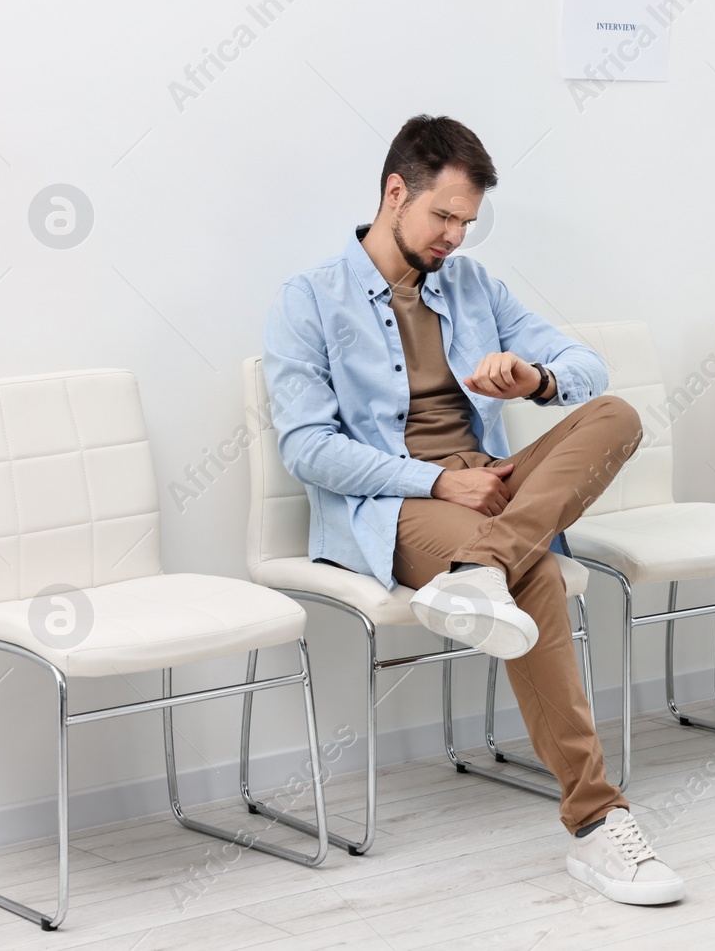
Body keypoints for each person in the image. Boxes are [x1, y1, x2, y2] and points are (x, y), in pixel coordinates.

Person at [262, 114, 684, 906]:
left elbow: (584, 366)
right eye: (444, 216)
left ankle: (483, 564)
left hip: (492, 487)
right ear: (396, 193)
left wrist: (533, 379)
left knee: (616, 414)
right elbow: (308, 448)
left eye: (467, 221)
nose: (455, 236)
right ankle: (598, 825)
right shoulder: (309, 299)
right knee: (539, 579)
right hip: (398, 504)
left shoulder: (474, 285)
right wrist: (435, 483)